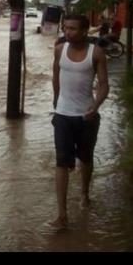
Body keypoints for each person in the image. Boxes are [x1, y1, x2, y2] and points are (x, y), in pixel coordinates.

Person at [50, 14, 109, 229]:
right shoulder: (59, 50)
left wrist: (96, 105)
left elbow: (104, 85)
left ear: (85, 31)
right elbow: (55, 76)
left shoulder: (97, 53)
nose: (68, 32)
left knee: (86, 159)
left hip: (87, 116)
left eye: (73, 29)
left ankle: (84, 193)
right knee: (61, 163)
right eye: (66, 28)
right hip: (63, 115)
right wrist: (56, 103)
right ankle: (62, 214)